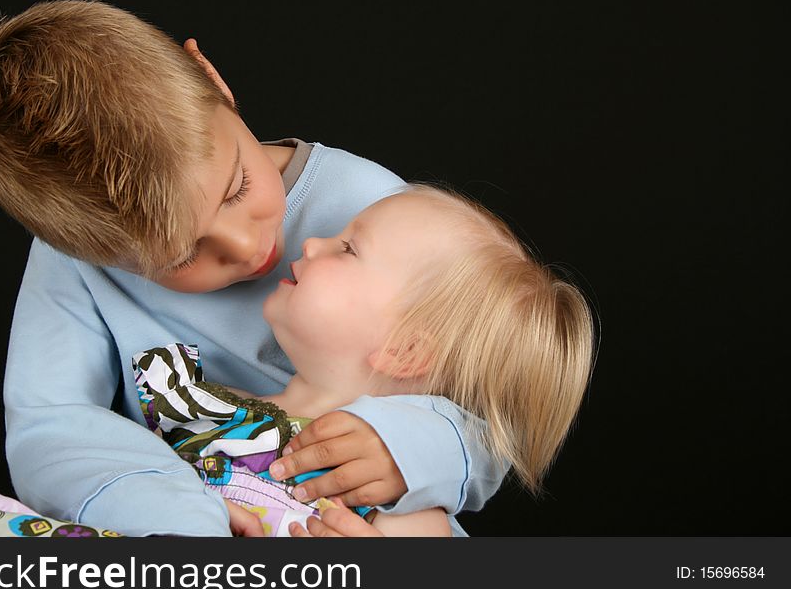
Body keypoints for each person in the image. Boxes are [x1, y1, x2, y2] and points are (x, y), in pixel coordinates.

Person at [0, 0, 504, 536]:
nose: (245, 246)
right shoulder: (75, 258)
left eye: (237, 186)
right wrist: (168, 508)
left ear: (212, 80)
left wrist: (411, 448)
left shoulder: (374, 213)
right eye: (181, 256)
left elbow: (501, 406)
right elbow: (50, 426)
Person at [132, 185, 595, 536]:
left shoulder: (393, 500)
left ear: (404, 350)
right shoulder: (214, 406)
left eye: (348, 249)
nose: (311, 243)